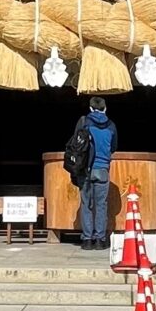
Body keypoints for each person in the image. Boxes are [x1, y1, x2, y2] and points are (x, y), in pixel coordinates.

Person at [64, 94, 119, 248]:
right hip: (102, 169)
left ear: (90, 108)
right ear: (105, 108)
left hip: (85, 170)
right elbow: (114, 147)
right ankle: (100, 240)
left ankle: (87, 239)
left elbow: (75, 145)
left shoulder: (84, 123)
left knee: (86, 204)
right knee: (101, 205)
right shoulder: (111, 125)